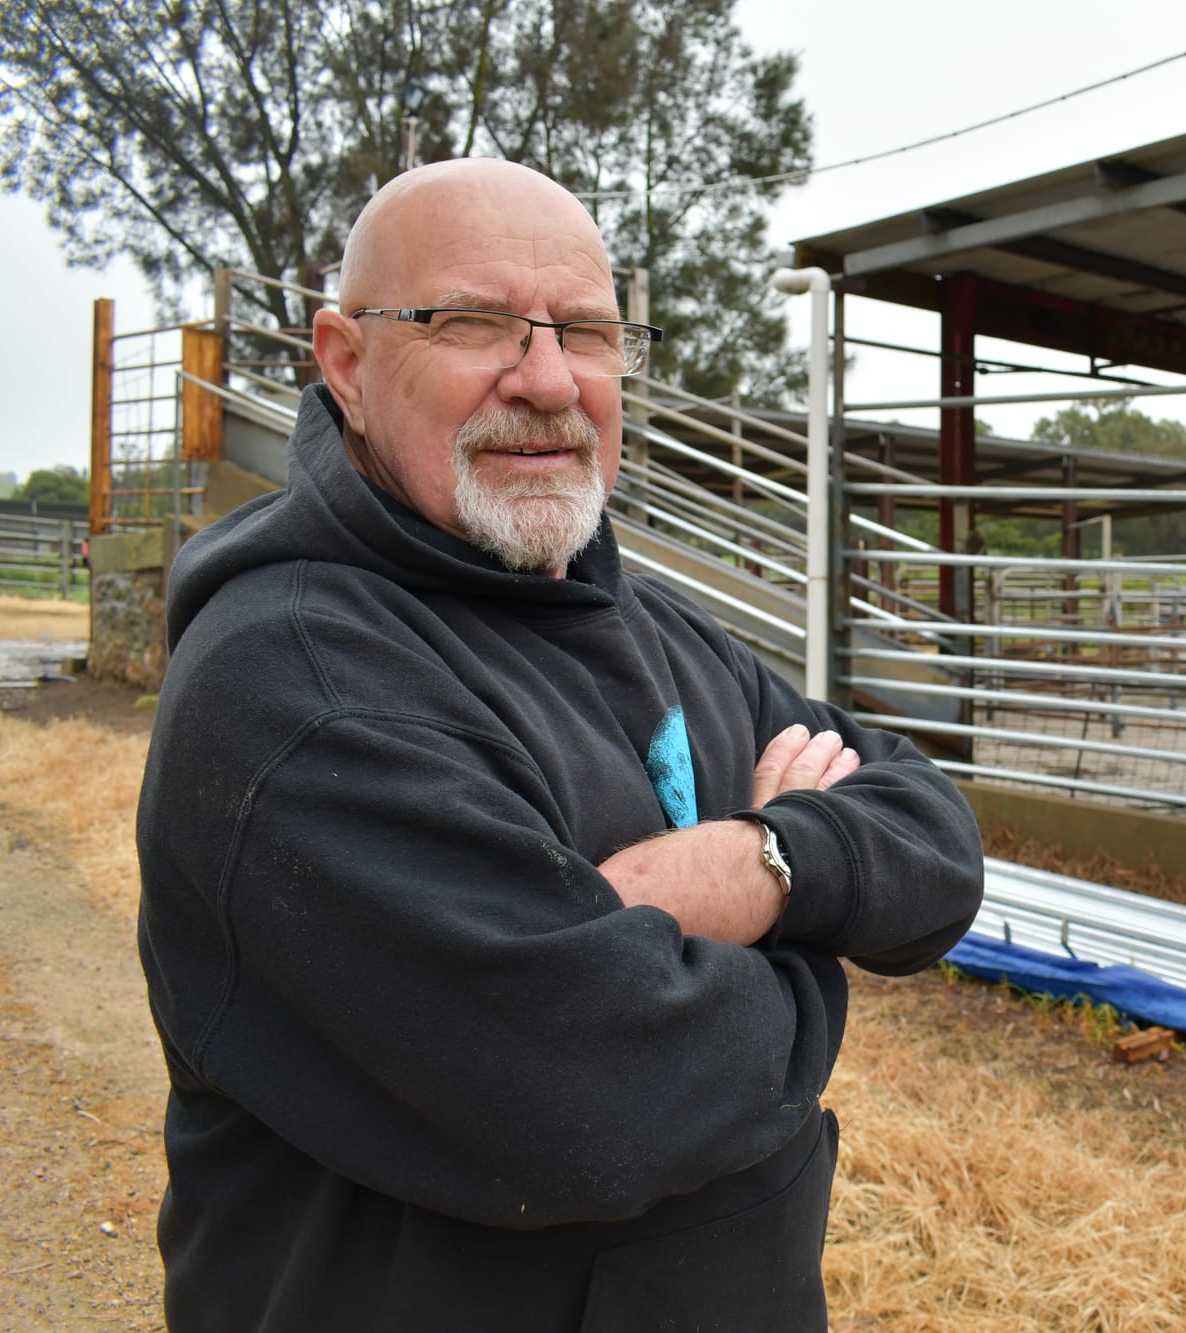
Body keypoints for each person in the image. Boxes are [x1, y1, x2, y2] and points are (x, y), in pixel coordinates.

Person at [134, 158, 984, 1332]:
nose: (545, 379)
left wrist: (755, 866)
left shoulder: (656, 629)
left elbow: (935, 839)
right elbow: (602, 1101)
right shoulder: (299, 687)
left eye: (584, 331)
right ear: (345, 362)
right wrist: (819, 938)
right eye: (471, 322)